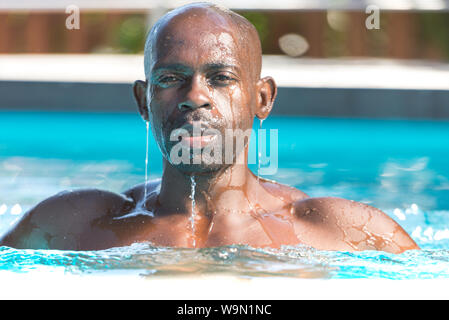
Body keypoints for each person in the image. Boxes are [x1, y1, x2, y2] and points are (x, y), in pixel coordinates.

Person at [0, 2, 419, 253]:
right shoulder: (70, 225)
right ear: (143, 101)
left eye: (220, 78)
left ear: (262, 99)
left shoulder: (343, 231)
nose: (194, 96)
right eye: (170, 78)